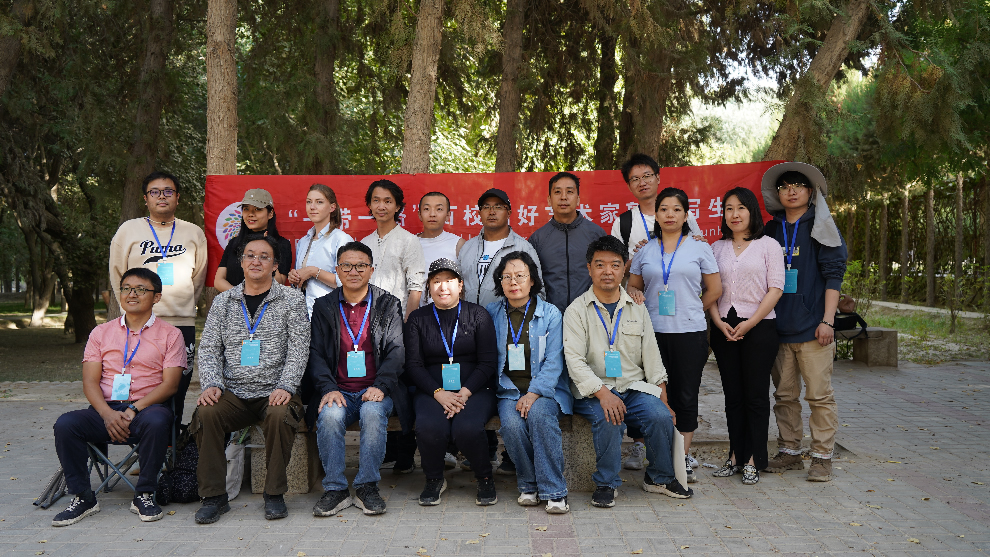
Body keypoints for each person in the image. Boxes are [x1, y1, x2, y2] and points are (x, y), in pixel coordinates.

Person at [564, 236, 692, 508]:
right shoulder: (576, 311)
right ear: (589, 268)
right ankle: (606, 483)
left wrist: (663, 399)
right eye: (600, 264)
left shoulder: (637, 307)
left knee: (659, 416)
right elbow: (574, 361)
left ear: (624, 269)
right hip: (593, 391)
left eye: (615, 265)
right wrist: (603, 394)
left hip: (633, 388)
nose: (607, 271)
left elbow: (652, 356)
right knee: (609, 416)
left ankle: (658, 478)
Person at [51, 268, 185, 526]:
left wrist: (134, 408)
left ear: (156, 297)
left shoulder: (171, 335)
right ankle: (83, 497)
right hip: (105, 409)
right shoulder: (101, 333)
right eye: (126, 288)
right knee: (66, 424)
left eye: (140, 289)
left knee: (158, 421)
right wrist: (107, 414)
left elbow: (170, 385)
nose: (131, 294)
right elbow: (90, 382)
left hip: (147, 409)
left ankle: (144, 494)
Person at [191, 234, 310, 523]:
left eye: (264, 257)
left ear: (275, 265)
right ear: (241, 262)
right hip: (232, 393)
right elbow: (209, 348)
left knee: (281, 415)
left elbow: (299, 348)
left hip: (275, 391)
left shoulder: (292, 300)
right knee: (206, 412)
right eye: (250, 255)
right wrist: (212, 384)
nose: (256, 261)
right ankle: (214, 496)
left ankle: (274, 494)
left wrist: (286, 385)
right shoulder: (224, 301)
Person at [760, 162, 847, 482]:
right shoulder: (770, 230)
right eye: (784, 187)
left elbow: (833, 276)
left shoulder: (821, 226)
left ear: (811, 192)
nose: (791, 191)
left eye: (798, 185)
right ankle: (790, 451)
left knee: (819, 397)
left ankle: (822, 458)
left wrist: (828, 321)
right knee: (784, 396)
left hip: (813, 330)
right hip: (778, 328)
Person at [628, 187, 721, 484]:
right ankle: (656, 455)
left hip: (690, 333)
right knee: (653, 395)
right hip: (651, 334)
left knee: (685, 395)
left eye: (676, 209)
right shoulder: (646, 249)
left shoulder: (699, 247)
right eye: (664, 209)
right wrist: (636, 294)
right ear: (656, 214)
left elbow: (715, 289)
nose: (670, 214)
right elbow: (633, 285)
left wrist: (693, 308)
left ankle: (681, 459)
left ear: (686, 215)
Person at [305, 242, 406, 516]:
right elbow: (315, 353)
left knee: (373, 413)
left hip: (376, 391)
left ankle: (366, 487)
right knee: (329, 416)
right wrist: (328, 388)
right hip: (338, 390)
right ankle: (336, 489)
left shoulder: (388, 304)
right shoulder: (324, 306)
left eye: (361, 265)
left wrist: (381, 386)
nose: (353, 271)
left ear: (371, 270)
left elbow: (397, 351)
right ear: (337, 270)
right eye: (347, 265)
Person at [109, 171, 206, 427]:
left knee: (177, 387)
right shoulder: (128, 230)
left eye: (168, 191)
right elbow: (117, 274)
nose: (161, 196)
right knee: (140, 384)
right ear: (146, 198)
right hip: (140, 323)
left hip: (180, 323)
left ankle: (170, 446)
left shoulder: (193, 232)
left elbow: (198, 278)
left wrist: (184, 305)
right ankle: (143, 441)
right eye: (155, 192)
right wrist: (133, 311)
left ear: (177, 197)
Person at [403, 258, 499, 506]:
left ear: (460, 285)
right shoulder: (418, 319)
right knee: (429, 426)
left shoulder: (478, 314)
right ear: (429, 286)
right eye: (436, 281)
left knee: (467, 427)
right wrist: (439, 393)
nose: (443, 287)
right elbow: (413, 365)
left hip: (475, 389)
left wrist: (465, 392)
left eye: (449, 280)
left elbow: (488, 362)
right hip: (431, 390)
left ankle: (484, 477)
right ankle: (434, 479)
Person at [485, 251, 572, 514]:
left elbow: (555, 360)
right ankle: (528, 484)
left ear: (532, 280)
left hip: (545, 391)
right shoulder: (491, 313)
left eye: (520, 276)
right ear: (500, 282)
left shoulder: (550, 313)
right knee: (511, 425)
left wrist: (534, 393)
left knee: (540, 417)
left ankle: (555, 490)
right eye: (507, 277)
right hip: (508, 389)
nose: (514, 282)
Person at [708, 187, 784, 485]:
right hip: (724, 328)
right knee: (733, 396)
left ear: (752, 211)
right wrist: (717, 322)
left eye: (740, 208)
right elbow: (710, 290)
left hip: (760, 327)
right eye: (728, 208)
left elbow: (775, 288)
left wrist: (751, 322)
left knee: (755, 395)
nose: (734, 214)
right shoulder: (716, 248)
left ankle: (754, 458)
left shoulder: (769, 245)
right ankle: (735, 456)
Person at [528, 172, 606, 315]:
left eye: (569, 192)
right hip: (550, 318)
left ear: (578, 199)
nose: (563, 197)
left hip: (590, 315)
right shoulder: (537, 239)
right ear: (549, 200)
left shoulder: (596, 234)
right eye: (557, 192)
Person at [458, 188, 543, 309]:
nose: (492, 212)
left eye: (498, 207)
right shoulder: (467, 247)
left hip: (506, 319)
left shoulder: (523, 248)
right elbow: (458, 288)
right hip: (469, 318)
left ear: (508, 213)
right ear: (479, 213)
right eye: (486, 207)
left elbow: (538, 292)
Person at [360, 179, 426, 320]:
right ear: (370, 205)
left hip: (396, 321)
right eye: (376, 200)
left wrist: (407, 325)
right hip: (366, 321)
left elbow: (416, 288)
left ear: (397, 207)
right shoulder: (364, 243)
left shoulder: (409, 240)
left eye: (388, 201)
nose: (381, 206)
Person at [289, 184, 353, 318]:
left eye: (319, 202)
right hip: (302, 315)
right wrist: (294, 277)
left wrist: (313, 271)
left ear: (332, 207)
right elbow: (299, 281)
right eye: (309, 202)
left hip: (329, 315)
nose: (312, 207)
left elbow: (348, 281)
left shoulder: (341, 239)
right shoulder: (303, 241)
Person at [215, 189, 293, 291]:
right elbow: (218, 280)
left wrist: (268, 245)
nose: (250, 214)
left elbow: (279, 282)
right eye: (246, 209)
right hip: (233, 299)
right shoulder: (234, 243)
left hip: (266, 301)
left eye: (257, 209)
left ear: (270, 213)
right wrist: (240, 297)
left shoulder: (281, 244)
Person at [417, 191, 466, 307]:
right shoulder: (410, 243)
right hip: (418, 313)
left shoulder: (458, 244)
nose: (432, 214)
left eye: (439, 209)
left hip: (451, 311)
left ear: (448, 215)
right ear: (420, 214)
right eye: (427, 209)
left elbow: (465, 284)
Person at [611, 154, 661, 268]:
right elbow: (616, 268)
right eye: (635, 179)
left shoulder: (681, 215)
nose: (642, 183)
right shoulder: (622, 223)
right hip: (638, 280)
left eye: (647, 176)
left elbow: (698, 253)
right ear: (629, 186)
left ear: (658, 178)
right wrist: (640, 258)